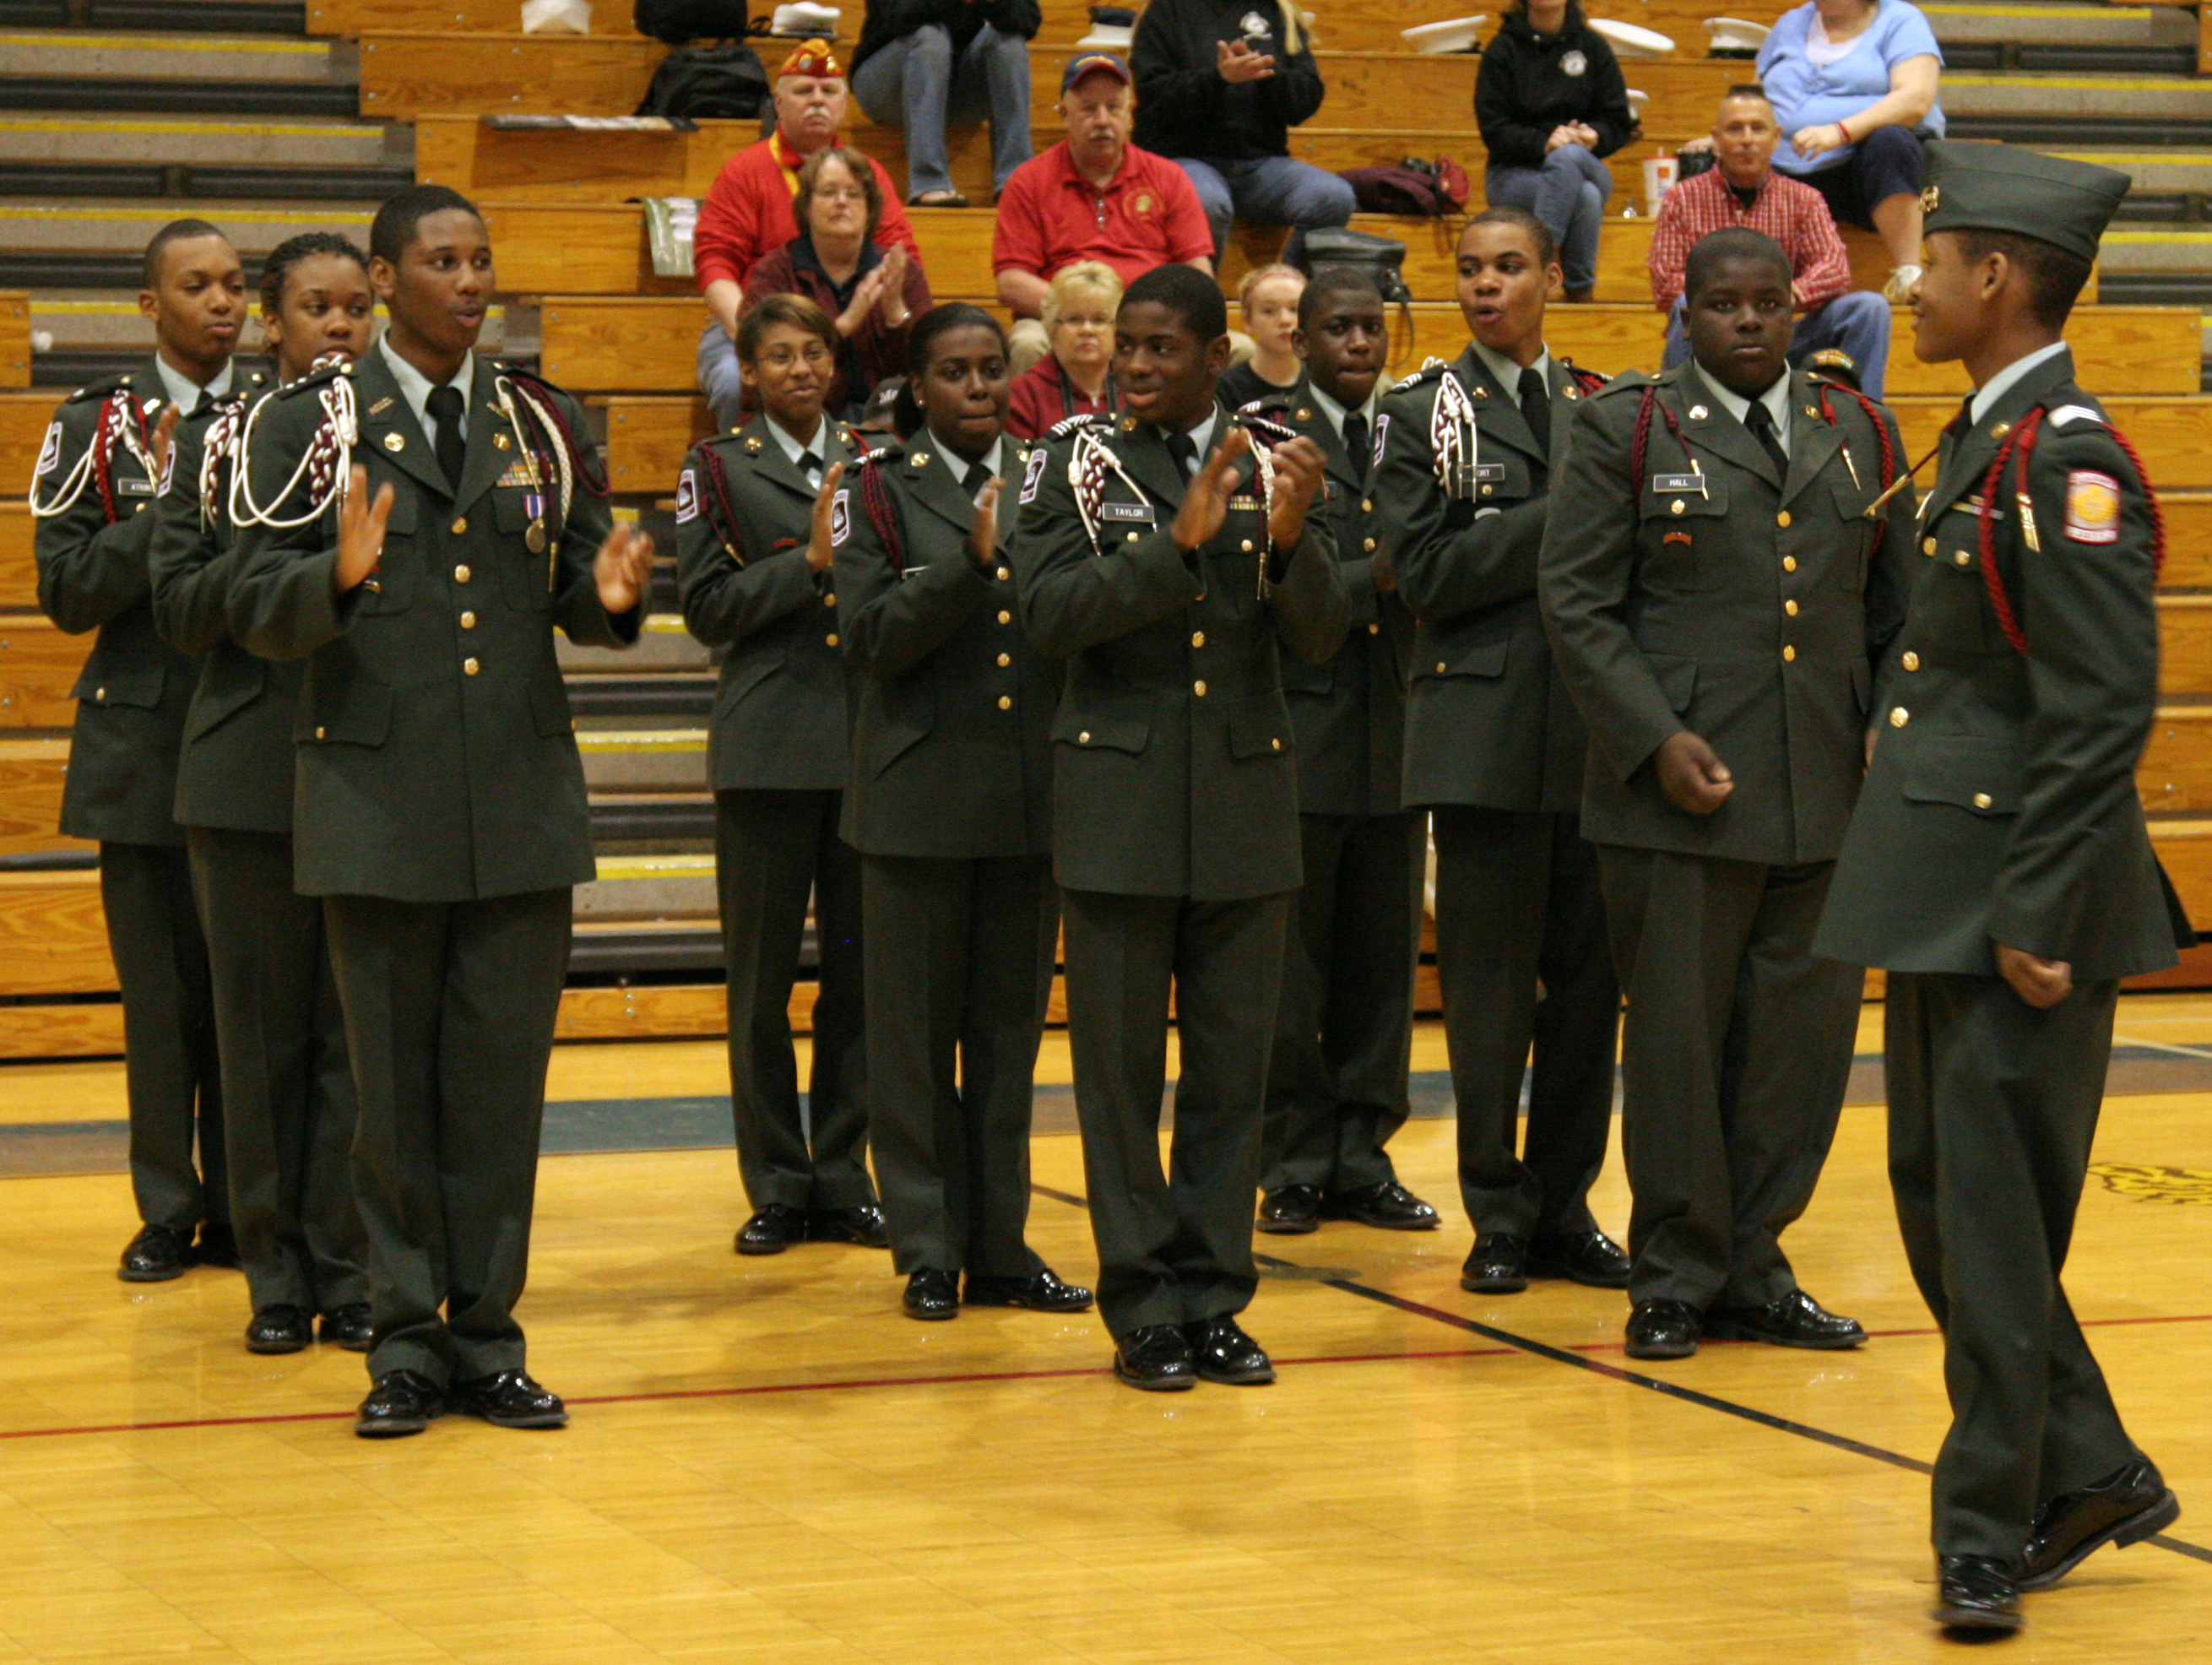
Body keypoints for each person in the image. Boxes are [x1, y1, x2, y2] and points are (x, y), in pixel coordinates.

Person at [1813, 144, 2184, 1635]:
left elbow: (2103, 706)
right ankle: (2090, 1466)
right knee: (1940, 1208)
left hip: (2019, 901)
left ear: (1999, 279)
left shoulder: (2068, 457)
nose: (1914, 280)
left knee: (1988, 1224)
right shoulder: (1983, 438)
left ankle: (1986, 1528)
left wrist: (2036, 907)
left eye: (1937, 257)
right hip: (1946, 886)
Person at [225, 186, 657, 1437]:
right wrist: (334, 578)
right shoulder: (309, 423)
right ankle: (404, 1341)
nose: (471, 283)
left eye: (481, 261)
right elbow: (250, 602)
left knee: (497, 1092)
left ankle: (489, 1335)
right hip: (376, 798)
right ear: (384, 277)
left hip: (517, 800)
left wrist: (612, 594)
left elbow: (572, 584)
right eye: (443, 262)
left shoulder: (542, 423)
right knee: (392, 1098)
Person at [1540, 226, 1912, 1363]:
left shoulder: (1861, 430)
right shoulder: (1629, 427)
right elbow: (1577, 601)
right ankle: (1674, 1271)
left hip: (1822, 798)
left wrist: (1883, 746)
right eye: (1723, 305)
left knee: (1796, 1057)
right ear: (1686, 314)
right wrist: (1653, 739)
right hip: (1678, 799)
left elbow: (1898, 617)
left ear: (1799, 309)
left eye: (1768, 303)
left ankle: (1756, 1263)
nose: (1747, 322)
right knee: (1676, 1049)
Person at [1011, 262, 1347, 1391]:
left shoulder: (1275, 457)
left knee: (1229, 1076)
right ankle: (1143, 1303)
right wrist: (1178, 551)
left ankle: (1215, 1295)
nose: (1139, 364)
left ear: (1217, 357)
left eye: (1164, 348)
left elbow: (1322, 638)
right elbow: (1048, 615)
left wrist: (1294, 542)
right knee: (1118, 1076)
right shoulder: (1073, 461)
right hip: (1120, 805)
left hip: (1245, 804)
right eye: (1130, 347)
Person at [1371, 209, 1627, 1293]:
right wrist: (1558, 516)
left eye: (1508, 267)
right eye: (1470, 269)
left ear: (1551, 278)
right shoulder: (1419, 409)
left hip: (1591, 737)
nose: (1485, 286)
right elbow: (1421, 570)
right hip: (1477, 738)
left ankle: (1568, 1206)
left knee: (1583, 993)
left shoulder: (1605, 408)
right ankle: (1498, 1213)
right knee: (1485, 996)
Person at [831, 304, 1093, 1322]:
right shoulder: (875, 491)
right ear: (917, 387)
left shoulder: (1058, 481)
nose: (977, 388)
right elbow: (865, 636)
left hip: (1029, 799)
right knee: (910, 1042)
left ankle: (1000, 1245)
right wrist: (964, 570)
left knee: (1005, 1042)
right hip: (914, 799)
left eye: (990, 370)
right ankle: (926, 1244)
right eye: (954, 372)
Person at [148, 232, 374, 1357]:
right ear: (271, 325)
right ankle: (275, 1275)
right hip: (246, 774)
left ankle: (352, 1269)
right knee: (259, 1041)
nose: (338, 324)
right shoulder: (218, 443)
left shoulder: (403, 441)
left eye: (355, 306)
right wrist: (284, 568)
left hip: (373, 769)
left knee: (353, 1044)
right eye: (314, 307)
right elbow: (182, 610)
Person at [29, 217, 241, 1283]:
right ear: (148, 305)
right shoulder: (94, 427)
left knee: (251, 996)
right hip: (143, 741)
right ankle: (168, 1203)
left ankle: (252, 1205)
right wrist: (161, 518)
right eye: (196, 285)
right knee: (161, 1002)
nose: (224, 303)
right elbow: (63, 589)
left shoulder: (273, 419)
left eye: (237, 284)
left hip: (253, 738)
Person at [675, 295, 883, 1260]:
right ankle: (774, 1180)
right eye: (780, 358)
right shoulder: (716, 467)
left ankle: (842, 1173)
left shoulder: (880, 457)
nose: (801, 370)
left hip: (868, 750)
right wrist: (806, 561)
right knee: (759, 985)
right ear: (747, 376)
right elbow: (709, 607)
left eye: (814, 353)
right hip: (766, 752)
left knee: (858, 978)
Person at [1239, 268, 1439, 1238]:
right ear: (1302, 339)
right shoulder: (1265, 435)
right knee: (1294, 966)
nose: (1357, 344)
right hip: (1301, 730)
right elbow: (1268, 580)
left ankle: (1363, 1154)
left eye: (1369, 328)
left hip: (1399, 730)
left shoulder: (1421, 430)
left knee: (1381, 963)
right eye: (1336, 329)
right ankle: (1291, 1157)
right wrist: (1376, 577)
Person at [693, 41, 924, 431]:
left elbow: (901, 258)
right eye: (803, 91)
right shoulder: (744, 170)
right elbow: (715, 263)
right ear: (778, 105)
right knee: (737, 382)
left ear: (844, 104)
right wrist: (758, 339)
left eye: (828, 91)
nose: (817, 100)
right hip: (755, 319)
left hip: (860, 327)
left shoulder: (868, 173)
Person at [1656, 87, 1891, 398]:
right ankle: (1678, 417)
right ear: (1716, 139)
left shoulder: (1804, 199)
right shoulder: (1682, 198)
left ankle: (1865, 422)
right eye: (1734, 128)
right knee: (1685, 306)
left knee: (1869, 308)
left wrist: (1788, 296)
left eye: (1758, 128)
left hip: (1784, 336)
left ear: (1775, 137)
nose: (1747, 139)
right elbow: (1666, 279)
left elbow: (1835, 267)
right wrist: (1733, 302)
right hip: (1716, 339)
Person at [992, 52, 1214, 367]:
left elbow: (1198, 275)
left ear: (1130, 116)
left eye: (1113, 108)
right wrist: (1087, 315)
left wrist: (1139, 317)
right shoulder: (1028, 180)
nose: (1102, 120)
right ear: (1063, 114)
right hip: (1061, 325)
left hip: (1153, 324)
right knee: (1027, 343)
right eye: (1088, 109)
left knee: (1239, 350)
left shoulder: (1169, 178)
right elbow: (1012, 283)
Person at [1129, 0, 1356, 261]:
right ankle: (1199, 297)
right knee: (1206, 202)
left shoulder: (1278, 10)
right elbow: (1153, 96)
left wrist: (1266, 73)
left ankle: (1288, 290)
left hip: (1260, 165)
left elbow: (1305, 101)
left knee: (1333, 197)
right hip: (1184, 159)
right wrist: (1218, 79)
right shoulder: (1167, 9)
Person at [1758, 0, 1945, 300]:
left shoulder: (1901, 20)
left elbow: (1916, 99)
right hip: (1787, 167)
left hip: (1862, 171)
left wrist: (1840, 132)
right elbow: (1756, 96)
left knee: (1891, 141)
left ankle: (1909, 272)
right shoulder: (1790, 23)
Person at [740, 146, 931, 425]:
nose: (842, 202)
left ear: (870, 208)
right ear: (806, 204)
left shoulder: (900, 270)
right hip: (799, 419)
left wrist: (896, 315)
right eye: (829, 192)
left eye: (853, 194)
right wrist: (845, 324)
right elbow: (759, 361)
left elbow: (926, 366)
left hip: (889, 421)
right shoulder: (774, 273)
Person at [1475, 0, 1635, 302]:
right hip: (1514, 173)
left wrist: (1594, 134)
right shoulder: (1502, 50)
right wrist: (1544, 143)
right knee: (1584, 195)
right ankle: (1580, 290)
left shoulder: (1592, 45)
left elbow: (1619, 122)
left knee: (1569, 158)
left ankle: (1536, 268)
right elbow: (1494, 130)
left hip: (1583, 161)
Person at [852, 0, 1040, 209]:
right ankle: (928, 182)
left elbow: (1028, 21)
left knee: (1009, 41)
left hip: (959, 91)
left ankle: (1016, 181)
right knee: (931, 37)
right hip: (886, 85)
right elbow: (899, 14)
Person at [1006, 260, 1119, 439]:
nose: (1087, 330)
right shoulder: (1024, 396)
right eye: (1075, 319)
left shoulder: (1135, 389)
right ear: (1052, 327)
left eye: (1099, 320)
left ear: (1116, 329)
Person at [1216, 263, 1304, 413]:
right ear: (1248, 320)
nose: (1285, 320)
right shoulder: (1224, 389)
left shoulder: (1324, 384)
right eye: (1269, 311)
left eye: (1294, 309)